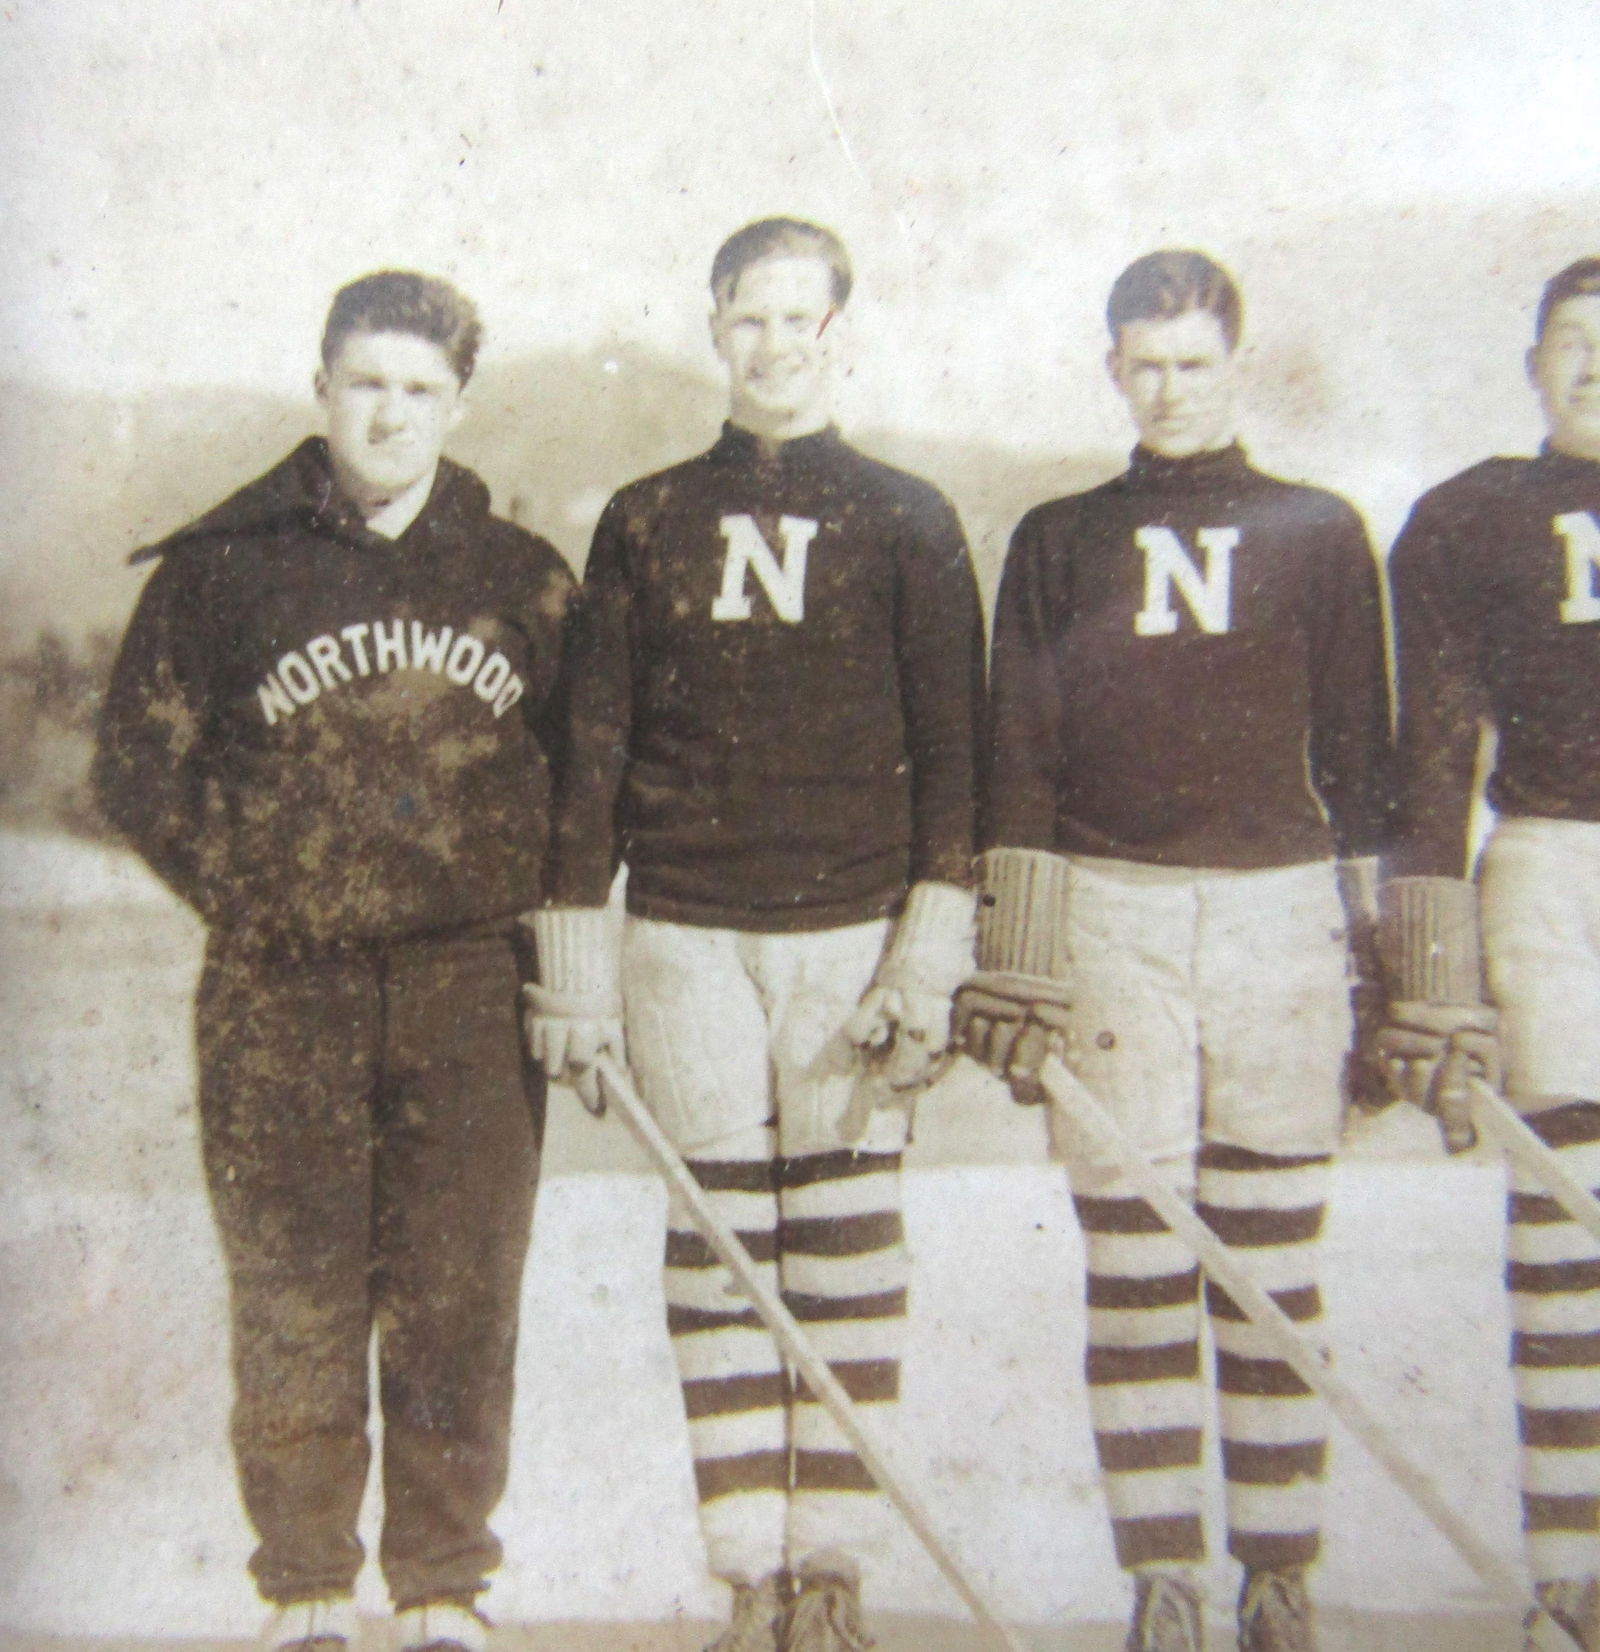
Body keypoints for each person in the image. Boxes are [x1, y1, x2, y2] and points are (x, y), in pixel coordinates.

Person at [92, 272, 574, 1652]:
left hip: (467, 980)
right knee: (294, 1281)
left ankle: (441, 1589)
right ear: (320, 386)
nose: (391, 413)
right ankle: (306, 1584)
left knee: (459, 1289)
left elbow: (573, 774)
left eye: (422, 389)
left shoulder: (523, 578)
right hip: (277, 982)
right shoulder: (223, 568)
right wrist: (255, 889)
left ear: (460, 404)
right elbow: (137, 762)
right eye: (366, 381)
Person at [528, 217, 983, 1652]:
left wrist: (930, 946)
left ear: (841, 331)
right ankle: (747, 1575)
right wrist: (575, 968)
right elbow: (591, 755)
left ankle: (834, 1567)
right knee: (721, 1247)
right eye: (749, 320)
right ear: (713, 328)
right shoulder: (646, 516)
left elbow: (953, 755)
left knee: (847, 1247)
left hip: (852, 937)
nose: (775, 346)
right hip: (683, 937)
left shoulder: (909, 514)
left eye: (802, 320)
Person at [957, 250, 1390, 1652]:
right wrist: (1021, 955)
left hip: (1276, 912)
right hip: (1111, 911)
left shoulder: (1319, 530)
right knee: (1135, 1253)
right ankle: (1164, 1579)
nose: (1170, 389)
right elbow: (1015, 759)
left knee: (1271, 1257)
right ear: (1110, 369)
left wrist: (1386, 968)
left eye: (1195, 362)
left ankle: (1279, 1575)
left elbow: (1367, 768)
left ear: (1236, 365)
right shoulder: (1060, 537)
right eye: (1145, 362)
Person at [1379, 256, 1600, 1652]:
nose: (1596, 366)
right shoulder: (1472, 517)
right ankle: (1571, 1567)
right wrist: (1432, 963)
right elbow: (1435, 759)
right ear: (1531, 362)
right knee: (1564, 1208)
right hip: (1553, 862)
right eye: (1573, 342)